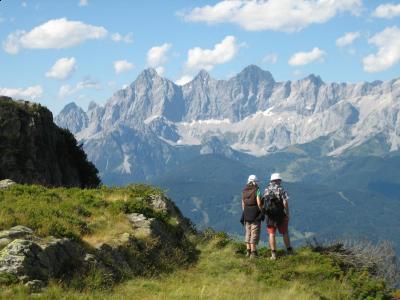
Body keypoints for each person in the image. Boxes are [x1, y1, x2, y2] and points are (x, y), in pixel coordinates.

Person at [263, 173, 292, 260]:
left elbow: (263, 203)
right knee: (284, 232)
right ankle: (289, 251)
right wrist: (287, 213)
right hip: (280, 214)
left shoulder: (266, 189)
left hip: (270, 216)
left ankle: (273, 254)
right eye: (280, 180)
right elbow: (285, 202)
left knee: (271, 234)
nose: (280, 181)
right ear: (277, 180)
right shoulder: (280, 189)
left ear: (271, 180)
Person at [242, 174, 263, 259]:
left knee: (248, 232)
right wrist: (262, 211)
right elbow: (259, 202)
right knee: (254, 232)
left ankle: (248, 251)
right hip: (255, 214)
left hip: (246, 213)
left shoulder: (244, 190)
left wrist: (245, 212)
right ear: (255, 182)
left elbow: (243, 203)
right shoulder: (257, 190)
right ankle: (253, 253)